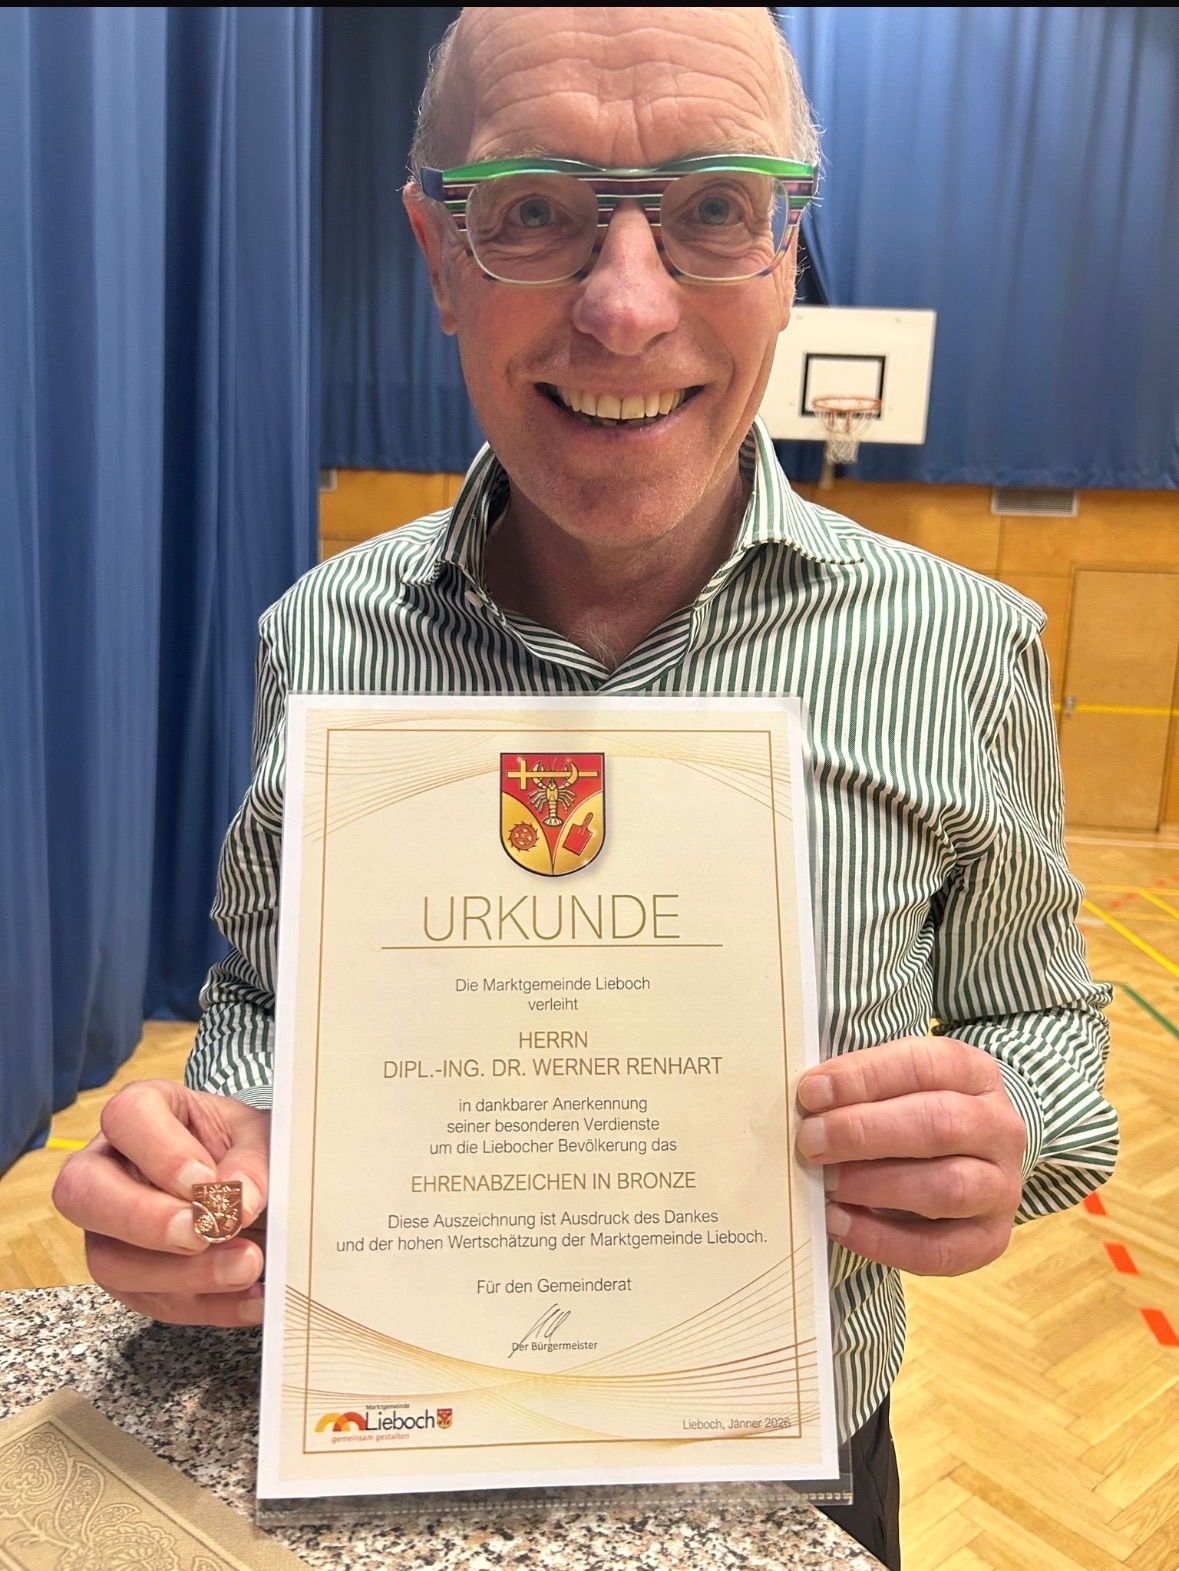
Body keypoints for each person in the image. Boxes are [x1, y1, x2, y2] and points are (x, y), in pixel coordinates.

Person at [53, 10, 1117, 1567]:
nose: (627, 311)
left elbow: (1044, 1025)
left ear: (785, 249)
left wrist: (1006, 1119)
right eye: (536, 213)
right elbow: (262, 993)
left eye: (711, 210)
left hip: (791, 1483)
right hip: (383, 1448)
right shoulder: (319, 636)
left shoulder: (961, 645)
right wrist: (218, 1156)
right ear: (436, 252)